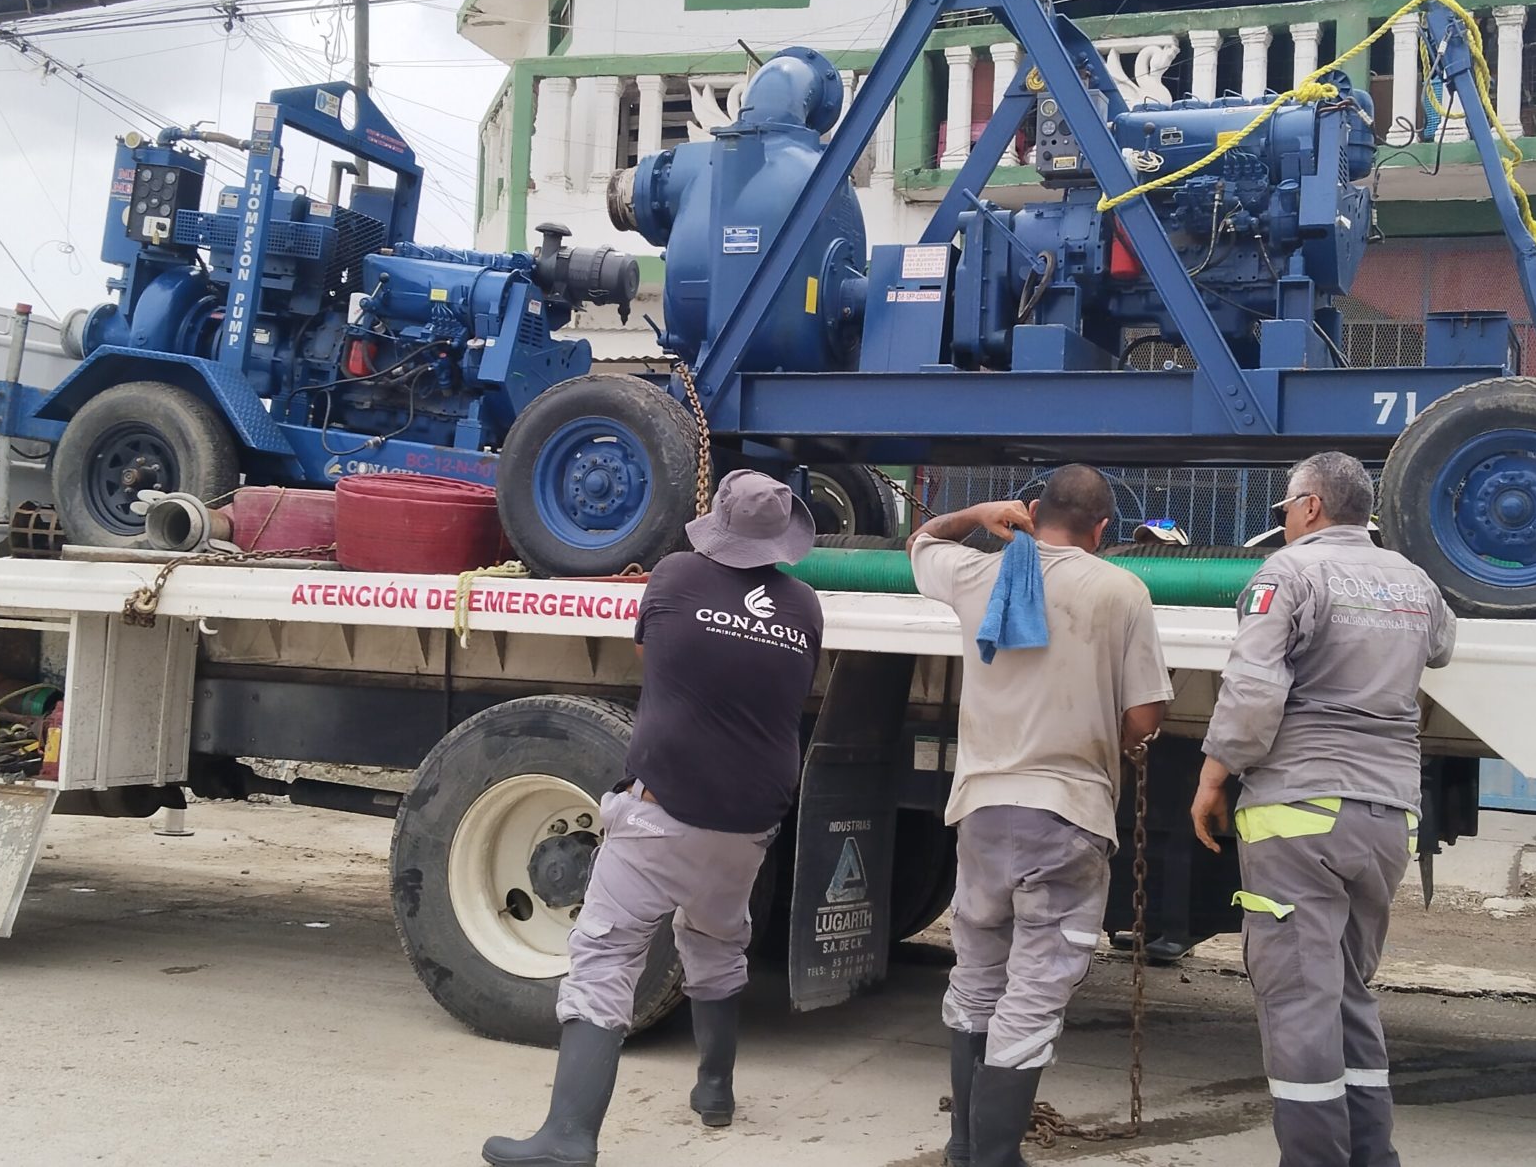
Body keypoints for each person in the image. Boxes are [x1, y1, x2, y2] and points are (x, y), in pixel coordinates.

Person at [483, 470, 825, 1167]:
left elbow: (652, 650)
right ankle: (715, 1089)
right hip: (751, 818)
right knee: (717, 941)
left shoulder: (674, 576)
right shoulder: (806, 606)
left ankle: (568, 1137)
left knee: (606, 956)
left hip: (665, 808)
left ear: (718, 527)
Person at [1190, 452, 1455, 1167]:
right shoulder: (1414, 580)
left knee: (1300, 1002)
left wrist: (1213, 777)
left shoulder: (1289, 573)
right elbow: (1441, 648)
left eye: (1285, 509)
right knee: (1347, 994)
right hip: (1387, 816)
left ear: (1309, 507)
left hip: (1298, 812)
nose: (1284, 521)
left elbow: (1252, 692)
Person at [910, 466, 1176, 1167]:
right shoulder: (1120, 590)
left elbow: (922, 543)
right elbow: (1144, 715)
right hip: (1065, 816)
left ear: (1032, 511)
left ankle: (965, 1147)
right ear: (1103, 529)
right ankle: (995, 1158)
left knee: (976, 982)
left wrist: (979, 514)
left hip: (982, 811)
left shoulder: (978, 573)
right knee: (1031, 995)